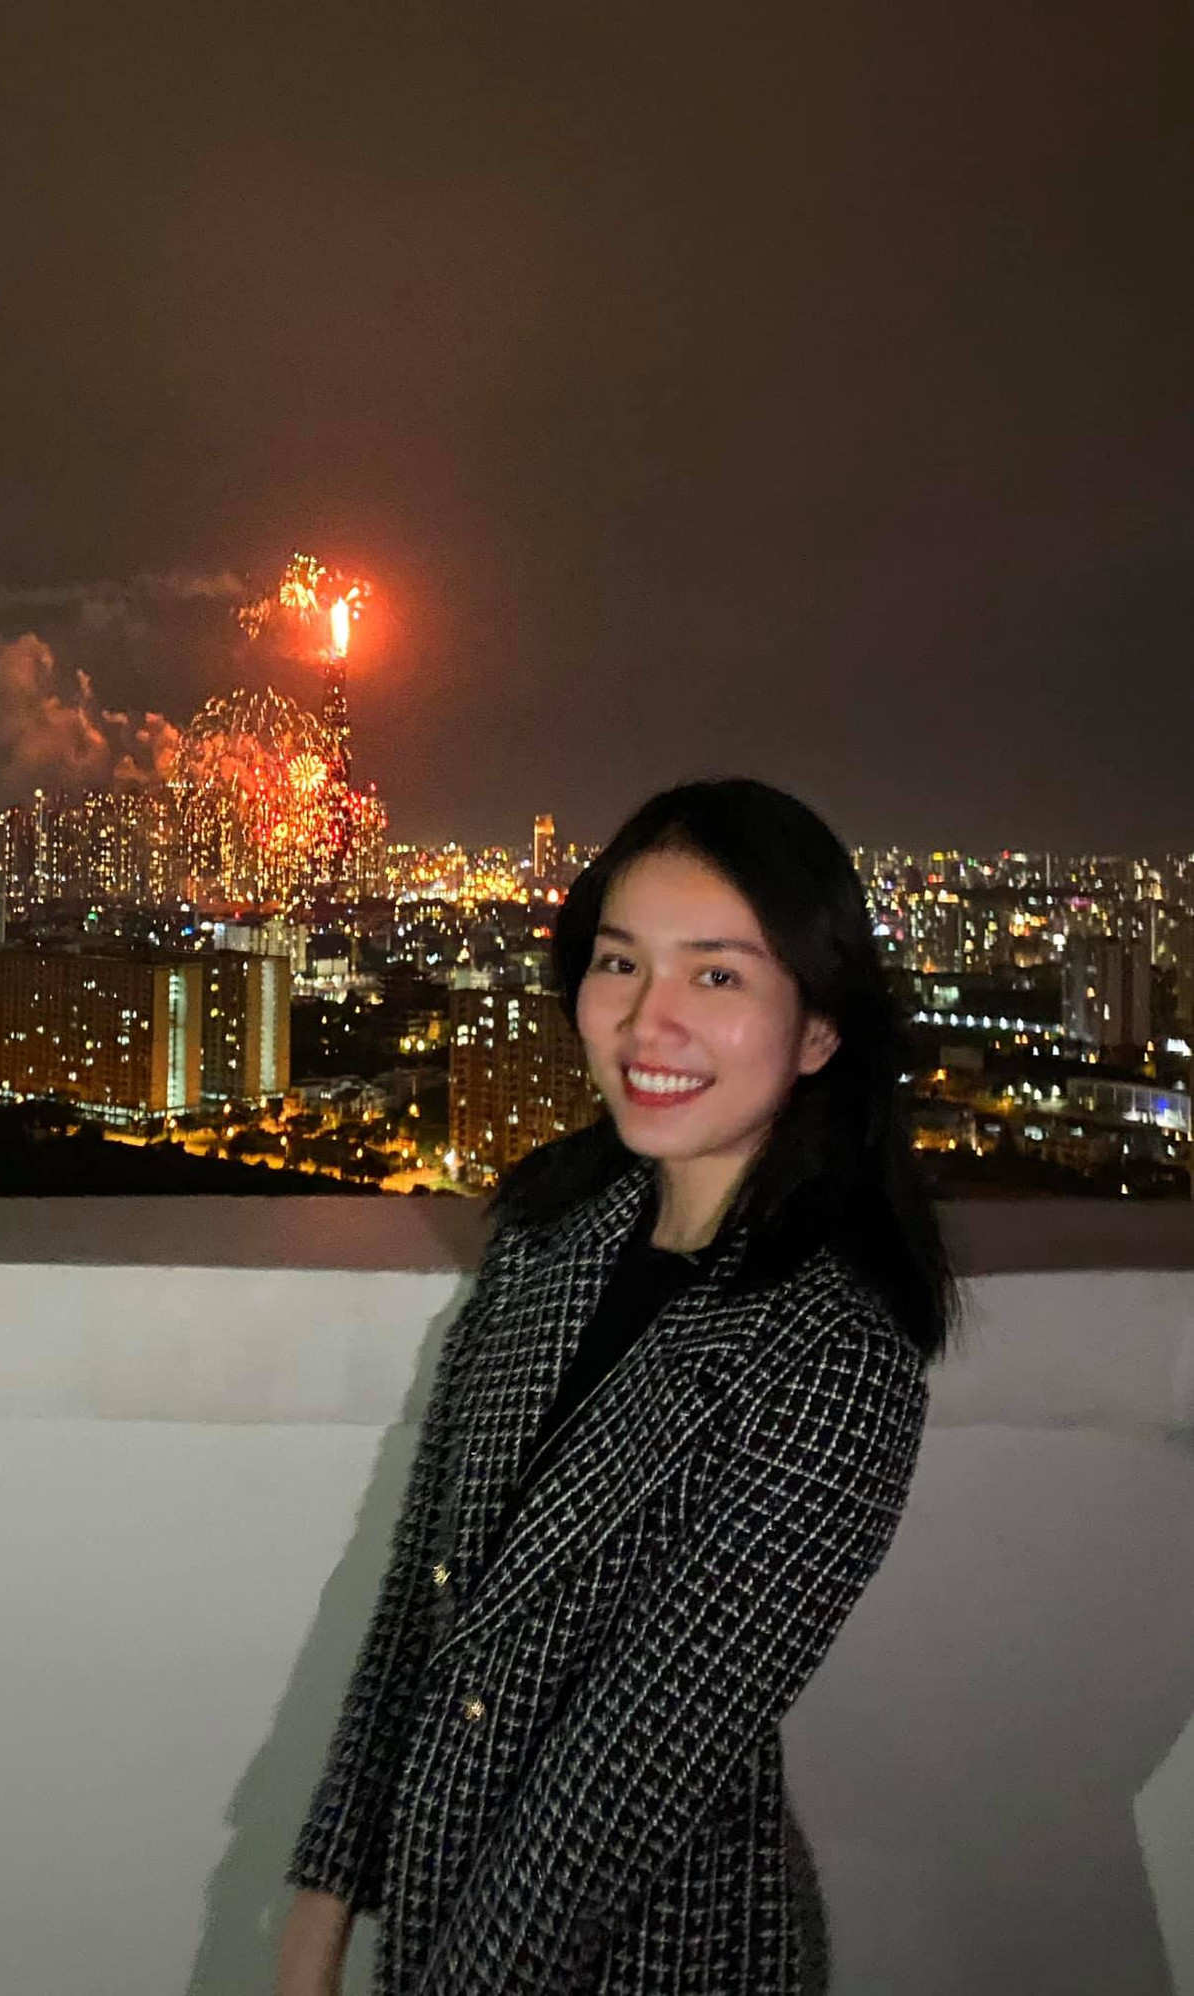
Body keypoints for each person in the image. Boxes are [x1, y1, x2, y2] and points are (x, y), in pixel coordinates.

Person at [277, 776, 958, 1996]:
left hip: (659, 1954)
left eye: (717, 974)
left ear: (817, 1028)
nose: (648, 1022)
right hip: (433, 1918)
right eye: (619, 962)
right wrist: (315, 1926)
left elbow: (624, 1777)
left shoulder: (832, 1355)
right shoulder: (550, 1238)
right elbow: (422, 1607)